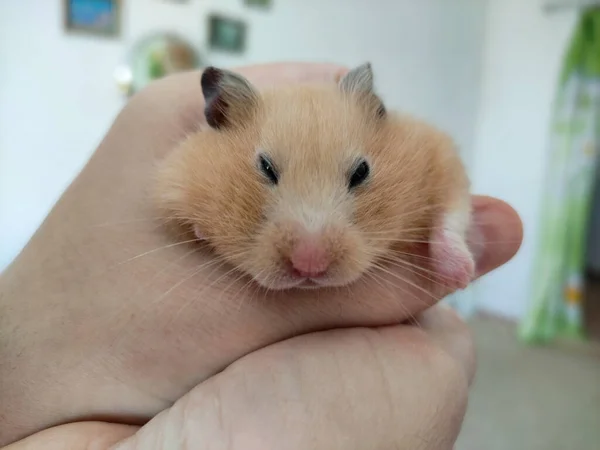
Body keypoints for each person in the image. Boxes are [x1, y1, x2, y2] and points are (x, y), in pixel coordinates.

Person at [0, 62, 522, 449]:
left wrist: (447, 230)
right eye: (266, 173)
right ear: (219, 110)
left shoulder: (411, 148)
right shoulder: (196, 156)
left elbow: (440, 160)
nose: (310, 258)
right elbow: (171, 185)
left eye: (358, 176)